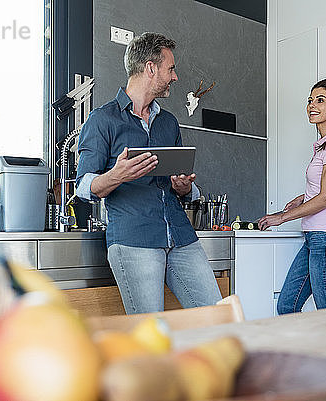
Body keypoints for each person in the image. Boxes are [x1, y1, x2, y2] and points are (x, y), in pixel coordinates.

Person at [75, 32, 222, 314]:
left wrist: (185, 187)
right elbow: (83, 187)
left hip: (181, 237)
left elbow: (187, 187)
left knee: (217, 317)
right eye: (171, 68)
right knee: (150, 334)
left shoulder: (168, 122)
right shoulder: (102, 119)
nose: (175, 77)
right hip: (134, 241)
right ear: (151, 68)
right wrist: (116, 175)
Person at [258, 78, 326, 314]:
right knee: (287, 306)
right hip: (316, 239)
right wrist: (306, 196)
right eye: (310, 100)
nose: (312, 105)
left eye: (320, 100)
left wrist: (282, 216)